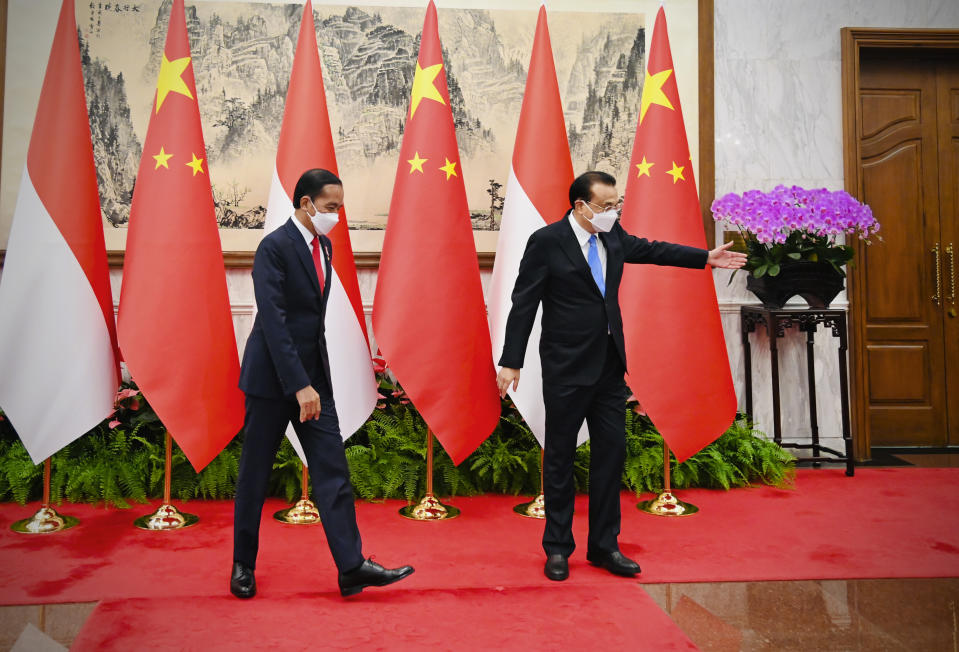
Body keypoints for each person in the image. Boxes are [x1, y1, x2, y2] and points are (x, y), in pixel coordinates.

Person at [496, 171, 746, 581]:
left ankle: (604, 547)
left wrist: (704, 258)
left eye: (617, 205)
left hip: (610, 368)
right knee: (559, 459)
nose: (613, 213)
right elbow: (523, 304)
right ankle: (558, 548)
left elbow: (652, 249)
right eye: (606, 206)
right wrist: (511, 360)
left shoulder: (612, 236)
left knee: (611, 457)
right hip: (566, 368)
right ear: (580, 206)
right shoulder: (547, 242)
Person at [231, 168, 413, 598]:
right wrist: (299, 385)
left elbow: (311, 323)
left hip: (313, 380)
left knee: (333, 472)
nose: (337, 215)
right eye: (331, 208)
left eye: (340, 207)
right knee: (254, 477)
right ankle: (242, 564)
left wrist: (313, 382)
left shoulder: (325, 246)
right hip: (272, 382)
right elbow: (274, 324)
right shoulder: (273, 248)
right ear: (306, 203)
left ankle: (352, 567)